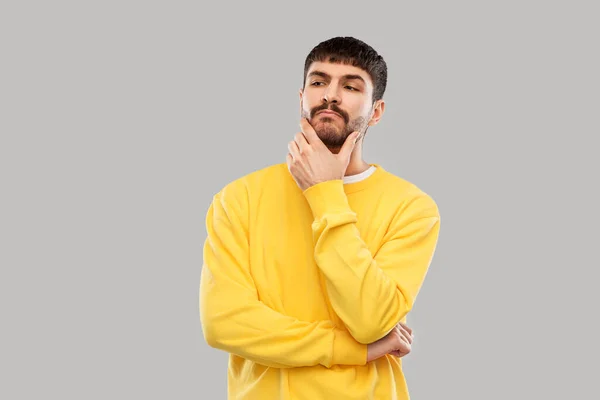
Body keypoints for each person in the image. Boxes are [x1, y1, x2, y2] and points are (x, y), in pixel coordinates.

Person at [199, 36, 441, 399]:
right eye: (318, 81)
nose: (331, 94)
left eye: (351, 85)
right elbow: (223, 323)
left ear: (376, 111)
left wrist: (325, 192)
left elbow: (371, 320)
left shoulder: (412, 208)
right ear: (301, 98)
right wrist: (355, 350)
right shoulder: (238, 199)